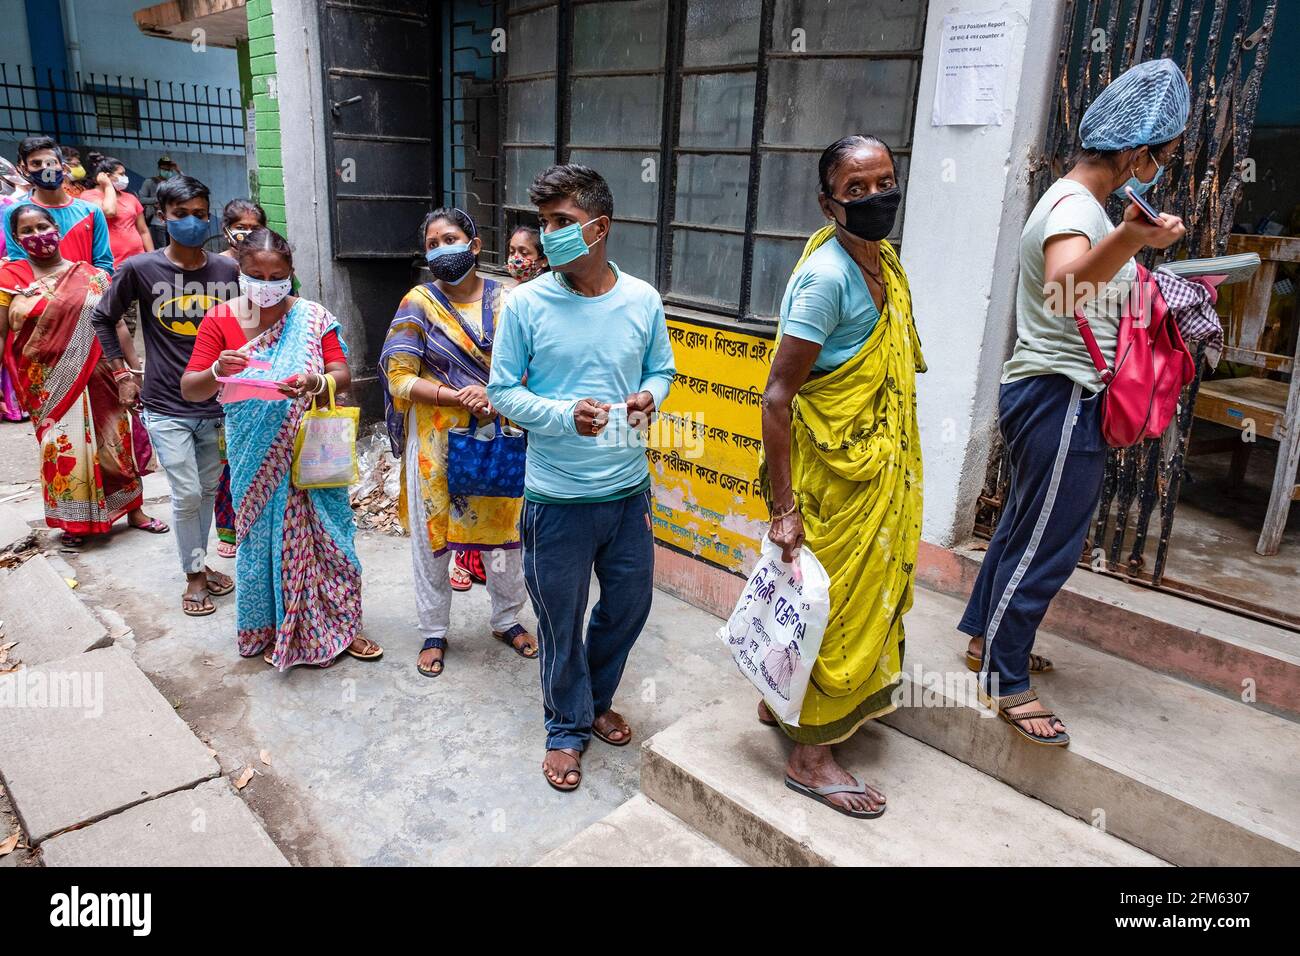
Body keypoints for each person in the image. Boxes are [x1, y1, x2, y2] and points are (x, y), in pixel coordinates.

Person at [958, 59, 1190, 746]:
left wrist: (1127, 247)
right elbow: (1064, 291)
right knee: (1050, 544)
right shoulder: (1074, 210)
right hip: (1060, 396)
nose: (1160, 168)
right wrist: (1131, 238)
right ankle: (1005, 678)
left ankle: (982, 638)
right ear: (1137, 154)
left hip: (1047, 392)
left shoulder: (1078, 206)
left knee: (1022, 527)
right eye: (1162, 156)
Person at [488, 164, 675, 792]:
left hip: (627, 494)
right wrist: (565, 416)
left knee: (629, 606)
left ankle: (593, 698)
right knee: (560, 618)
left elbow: (662, 370)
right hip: (556, 498)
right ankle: (566, 726)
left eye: (562, 223)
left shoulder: (642, 300)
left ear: (601, 226)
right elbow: (503, 393)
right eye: (544, 224)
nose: (548, 236)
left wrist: (649, 397)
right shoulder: (526, 304)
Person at [760, 135, 925, 820]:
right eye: (856, 190)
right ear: (828, 202)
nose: (875, 197)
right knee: (831, 614)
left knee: (829, 612)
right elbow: (776, 396)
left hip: (878, 476)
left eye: (884, 181)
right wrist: (784, 509)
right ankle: (811, 758)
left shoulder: (882, 258)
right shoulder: (825, 279)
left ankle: (783, 704)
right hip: (834, 482)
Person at [180, 227, 382, 669]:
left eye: (277, 276)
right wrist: (216, 368)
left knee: (332, 537)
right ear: (240, 270)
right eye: (256, 274)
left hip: (313, 450)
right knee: (264, 542)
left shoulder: (312, 317)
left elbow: (341, 373)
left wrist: (317, 382)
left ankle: (343, 625)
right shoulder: (220, 320)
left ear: (291, 273)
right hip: (254, 453)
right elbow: (192, 389)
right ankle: (276, 629)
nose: (266, 285)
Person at [379, 207, 534, 678]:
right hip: (436, 444)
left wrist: (496, 394)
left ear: (474, 245)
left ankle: (506, 619)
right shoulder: (417, 303)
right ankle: (433, 630)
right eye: (431, 244)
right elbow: (399, 378)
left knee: (507, 533)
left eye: (450, 238)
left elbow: (537, 362)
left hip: (500, 433)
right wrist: (458, 394)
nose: (440, 249)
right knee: (434, 537)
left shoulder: (511, 300)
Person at [91, 174, 236, 617]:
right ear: (161, 217)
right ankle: (193, 577)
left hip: (218, 406)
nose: (191, 222)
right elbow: (103, 318)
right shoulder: (140, 269)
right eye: (180, 215)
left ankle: (199, 560)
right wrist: (122, 373)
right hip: (166, 403)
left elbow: (249, 327)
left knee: (208, 490)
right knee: (187, 492)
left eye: (199, 214)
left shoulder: (228, 271)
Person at [0, 204, 162, 542]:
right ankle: (74, 523)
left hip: (102, 374)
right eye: (27, 231)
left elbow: (117, 325)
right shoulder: (8, 279)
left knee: (116, 445)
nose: (37, 236)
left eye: (42, 226)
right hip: (48, 383)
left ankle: (134, 510)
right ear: (15, 238)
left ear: (56, 228)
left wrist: (133, 373)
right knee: (63, 450)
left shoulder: (92, 275)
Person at [212, 199, 267, 559]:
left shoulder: (270, 265)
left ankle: (259, 520)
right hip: (222, 370)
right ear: (226, 228)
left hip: (264, 375)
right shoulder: (216, 268)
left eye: (253, 226)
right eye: (239, 225)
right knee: (230, 460)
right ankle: (229, 528)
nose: (245, 232)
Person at [3, 136, 114, 274]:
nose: (45, 169)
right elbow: (19, 265)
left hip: (87, 292)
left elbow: (104, 265)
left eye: (51, 163)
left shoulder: (91, 211)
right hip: (39, 294)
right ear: (25, 170)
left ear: (63, 167)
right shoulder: (15, 213)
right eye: (36, 164)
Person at [80, 154, 154, 270]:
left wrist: (151, 257)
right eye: (121, 174)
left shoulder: (131, 198)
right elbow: (109, 211)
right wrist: (108, 185)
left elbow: (143, 230)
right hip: (111, 263)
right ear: (106, 176)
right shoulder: (89, 196)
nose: (125, 178)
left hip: (139, 259)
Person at [138, 156, 180, 250]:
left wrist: (178, 171)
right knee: (161, 249)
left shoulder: (173, 183)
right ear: (159, 168)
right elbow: (141, 199)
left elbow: (187, 185)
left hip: (173, 221)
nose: (167, 171)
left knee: (173, 249)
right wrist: (157, 200)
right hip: (157, 222)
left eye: (169, 169)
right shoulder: (150, 182)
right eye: (164, 169)